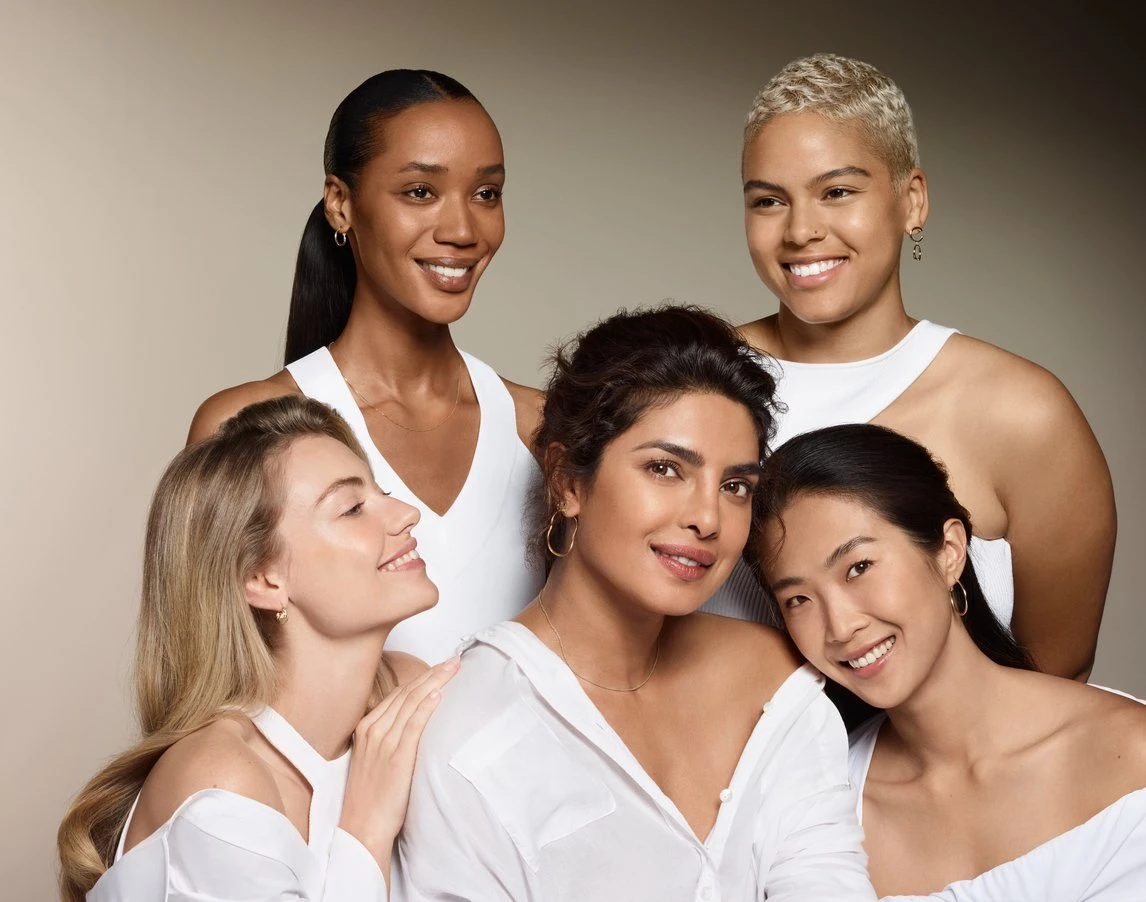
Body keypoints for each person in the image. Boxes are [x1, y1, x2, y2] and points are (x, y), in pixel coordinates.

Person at [395, 306, 875, 901]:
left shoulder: (776, 681)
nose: (707, 518)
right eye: (665, 469)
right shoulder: (471, 731)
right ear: (568, 481)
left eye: (735, 486)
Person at [708, 53, 1115, 683]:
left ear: (912, 200)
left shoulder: (1023, 415)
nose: (801, 230)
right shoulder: (691, 382)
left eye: (837, 192)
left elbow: (1056, 681)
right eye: (768, 201)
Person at [746, 423, 1146, 900]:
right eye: (798, 599)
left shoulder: (1133, 756)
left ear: (949, 552)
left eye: (858, 568)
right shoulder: (821, 806)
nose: (839, 627)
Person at [188, 70, 542, 662]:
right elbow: (212, 676)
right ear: (340, 203)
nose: (462, 230)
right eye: (420, 192)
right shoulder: (246, 426)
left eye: (486, 193)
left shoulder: (539, 426)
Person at [57, 397, 458, 901]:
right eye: (352, 508)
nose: (408, 513)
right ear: (263, 579)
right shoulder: (221, 783)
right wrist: (367, 829)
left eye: (384, 493)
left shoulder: (405, 692)